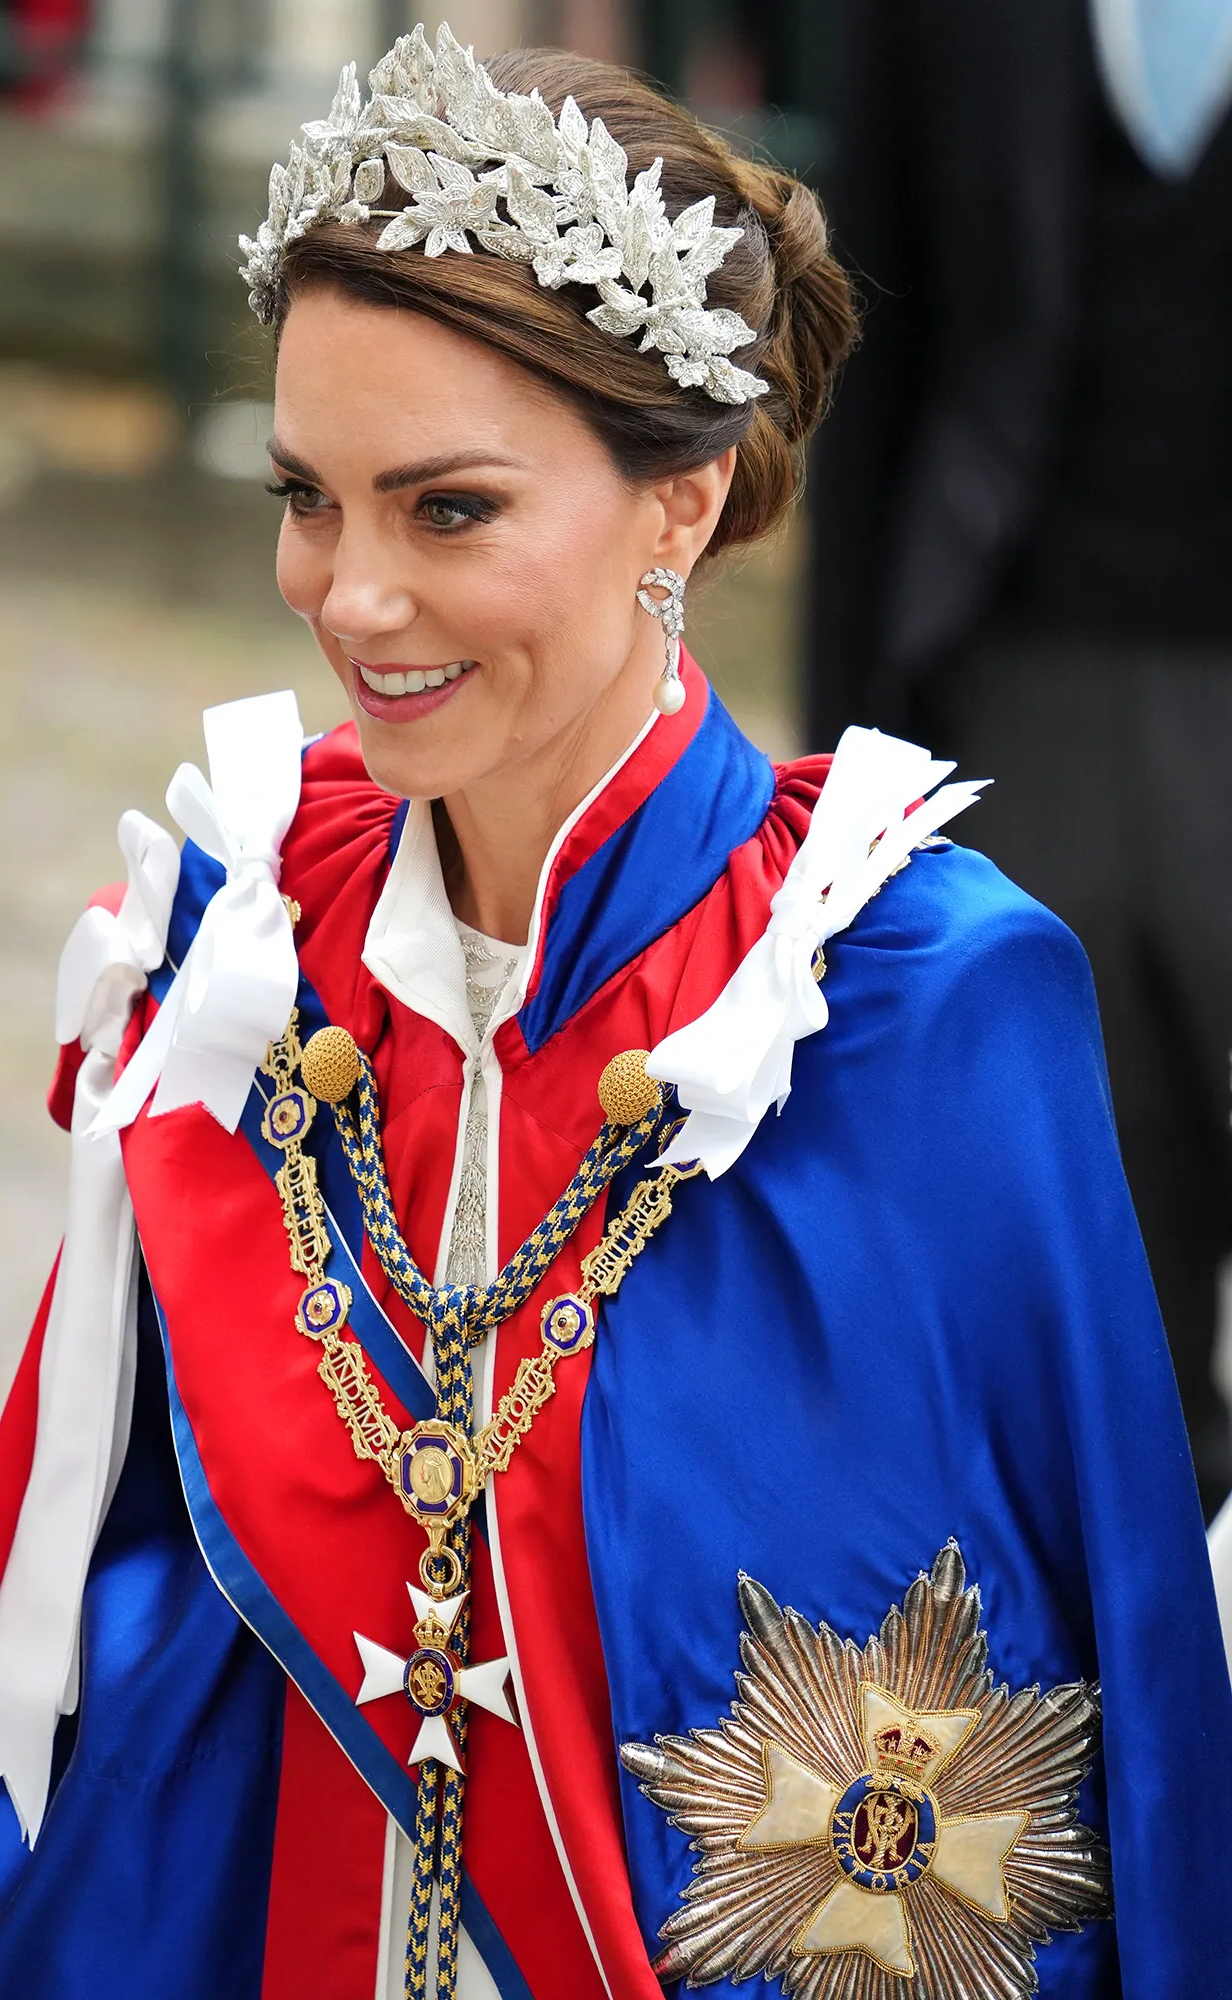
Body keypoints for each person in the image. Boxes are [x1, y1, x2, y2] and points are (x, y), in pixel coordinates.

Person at [0, 26, 1228, 1999]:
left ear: (679, 507)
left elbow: (1107, 1703)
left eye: (446, 510)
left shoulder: (928, 994)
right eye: (304, 497)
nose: (349, 597)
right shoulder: (238, 946)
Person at [805, 0, 1232, 1519]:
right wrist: (839, 789)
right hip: (1019, 682)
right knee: (1072, 1331)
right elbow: (873, 359)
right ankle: (1126, 1729)